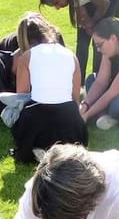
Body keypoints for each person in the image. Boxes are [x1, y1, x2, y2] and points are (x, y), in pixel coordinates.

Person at [7, 12, 87, 163]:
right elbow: (75, 99)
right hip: (71, 121)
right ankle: (63, 150)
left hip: (37, 119)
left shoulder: (26, 57)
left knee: (21, 114)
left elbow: (21, 98)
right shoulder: (71, 56)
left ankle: (35, 150)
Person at [37, 0, 119, 82]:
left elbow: (104, 3)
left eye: (56, 2)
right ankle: (78, 82)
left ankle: (97, 80)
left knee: (100, 41)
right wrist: (86, 24)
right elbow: (80, 8)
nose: (58, 8)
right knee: (82, 42)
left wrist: (93, 22)